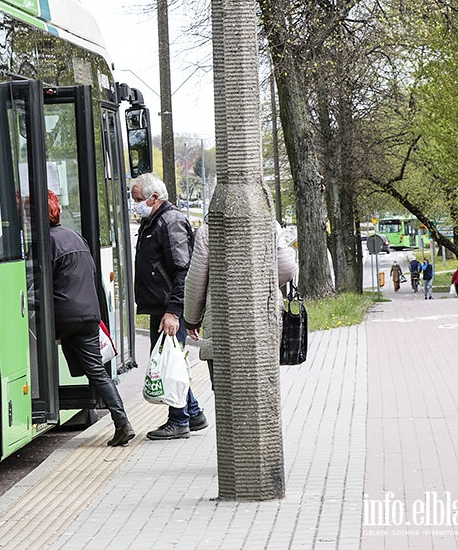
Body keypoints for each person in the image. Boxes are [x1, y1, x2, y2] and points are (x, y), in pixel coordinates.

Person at [47, 190, 134, 447]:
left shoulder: (46, 242)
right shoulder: (76, 237)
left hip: (63, 316)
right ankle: (122, 422)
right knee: (97, 371)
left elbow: (37, 282)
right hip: (88, 315)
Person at [130, 172, 206, 440]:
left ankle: (179, 420)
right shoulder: (153, 221)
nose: (134, 204)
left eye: (137, 199)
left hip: (169, 308)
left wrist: (174, 311)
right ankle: (193, 413)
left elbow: (183, 270)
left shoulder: (170, 222)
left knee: (170, 363)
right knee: (168, 361)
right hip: (160, 307)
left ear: (153, 197)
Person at [184, 220, 296, 389]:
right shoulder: (269, 224)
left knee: (225, 389)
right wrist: (259, 287)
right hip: (263, 318)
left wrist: (192, 320)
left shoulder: (209, 230)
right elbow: (287, 269)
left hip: (221, 321)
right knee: (263, 386)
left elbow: (196, 281)